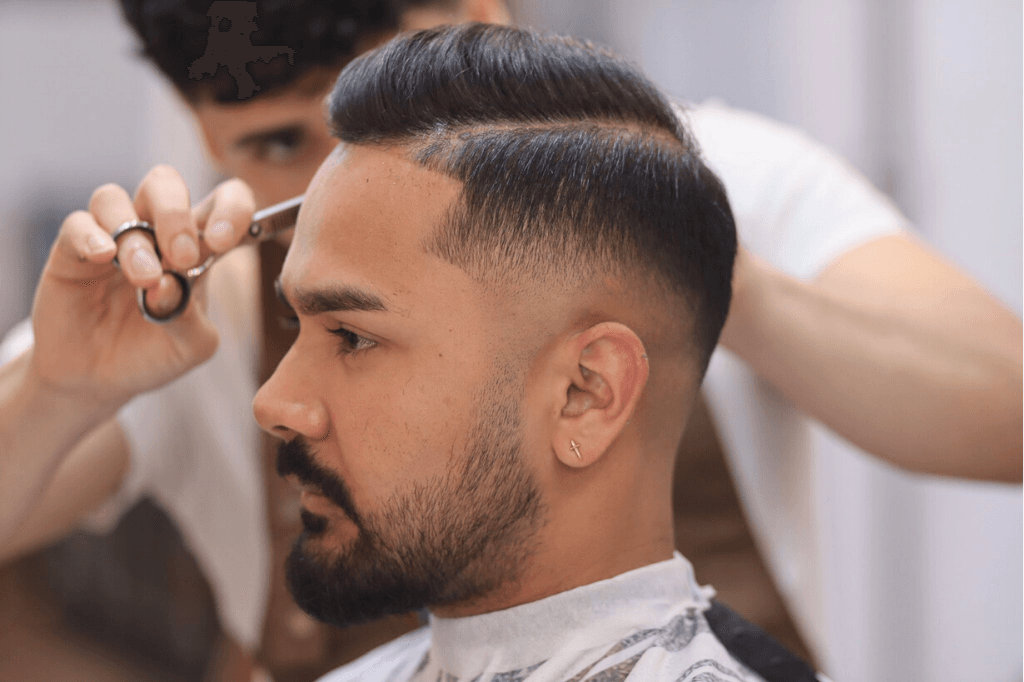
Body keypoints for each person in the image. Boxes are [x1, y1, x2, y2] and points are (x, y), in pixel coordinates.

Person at [0, 0, 1019, 679]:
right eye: (276, 143)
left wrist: (682, 247)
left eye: (352, 334)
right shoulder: (186, 305)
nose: (341, 179)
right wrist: (62, 381)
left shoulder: (731, 176)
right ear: (199, 129)